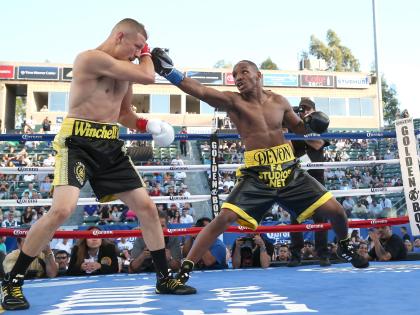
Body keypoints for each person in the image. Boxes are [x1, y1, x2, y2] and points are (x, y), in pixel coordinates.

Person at [1, 18, 195, 311]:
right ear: (119, 36)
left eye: (140, 49)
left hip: (110, 145)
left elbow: (125, 114)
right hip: (77, 143)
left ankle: (164, 278)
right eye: (135, 46)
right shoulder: (90, 59)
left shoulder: (125, 73)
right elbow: (148, 76)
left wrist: (148, 122)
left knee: (147, 208)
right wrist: (147, 55)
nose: (137, 53)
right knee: (62, 210)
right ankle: (13, 282)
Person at [150, 49, 369, 287]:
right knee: (222, 220)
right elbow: (202, 91)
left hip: (289, 171)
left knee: (336, 211)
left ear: (258, 75)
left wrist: (311, 123)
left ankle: (345, 246)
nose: (239, 77)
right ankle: (183, 273)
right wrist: (169, 73)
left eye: (244, 71)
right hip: (257, 175)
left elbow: (298, 129)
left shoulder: (279, 101)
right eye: (235, 74)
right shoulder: (233, 102)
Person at [287, 99, 331, 267]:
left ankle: (323, 254)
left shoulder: (320, 123)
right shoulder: (293, 125)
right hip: (298, 176)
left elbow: (318, 143)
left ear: (314, 110)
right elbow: (289, 148)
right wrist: (290, 127)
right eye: (301, 109)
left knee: (320, 216)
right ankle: (295, 255)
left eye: (307, 109)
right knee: (295, 217)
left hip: (316, 176)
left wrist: (303, 130)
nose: (304, 112)